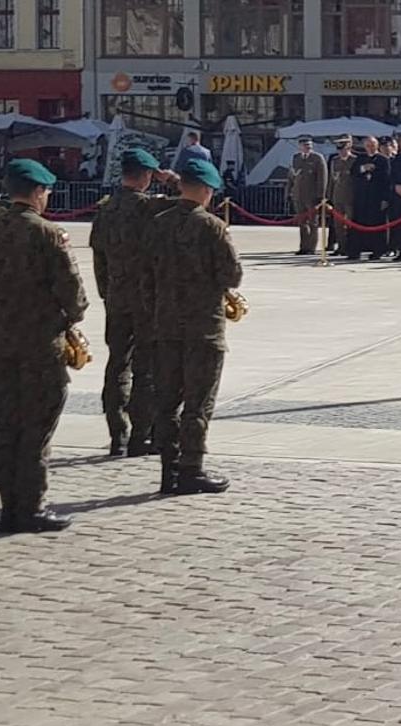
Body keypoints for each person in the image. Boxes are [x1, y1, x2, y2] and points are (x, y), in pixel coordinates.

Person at [0, 159, 86, 532]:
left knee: (5, 422)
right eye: (45, 192)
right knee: (36, 426)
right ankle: (30, 507)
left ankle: (8, 505)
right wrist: (70, 319)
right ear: (36, 193)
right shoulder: (47, 234)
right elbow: (74, 296)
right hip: (39, 346)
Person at [147, 159, 241, 496]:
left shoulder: (158, 224)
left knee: (167, 399)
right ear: (204, 190)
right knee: (198, 401)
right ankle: (191, 468)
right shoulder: (212, 226)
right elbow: (231, 275)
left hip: (165, 323)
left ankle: (168, 470)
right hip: (203, 326)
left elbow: (147, 275)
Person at [88, 149, 180, 457]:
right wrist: (172, 180)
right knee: (147, 367)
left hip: (116, 297)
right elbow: (195, 198)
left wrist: (106, 291)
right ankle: (141, 435)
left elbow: (98, 256)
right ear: (146, 175)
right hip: (146, 300)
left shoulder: (106, 208)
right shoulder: (150, 207)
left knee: (117, 364)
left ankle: (118, 433)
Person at [347, 136, 390, 261]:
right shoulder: (360, 158)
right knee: (358, 224)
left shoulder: (383, 160)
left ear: (377, 146)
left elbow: (387, 180)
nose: (370, 148)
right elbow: (353, 172)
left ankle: (378, 251)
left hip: (376, 198)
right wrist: (363, 169)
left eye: (372, 145)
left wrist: (385, 199)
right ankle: (355, 251)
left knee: (377, 224)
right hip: (362, 197)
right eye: (368, 146)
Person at [288, 137, 328, 256]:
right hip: (298, 195)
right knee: (301, 222)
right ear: (299, 146)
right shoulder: (296, 158)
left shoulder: (317, 158)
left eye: (309, 145)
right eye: (305, 145)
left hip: (312, 195)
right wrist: (289, 191)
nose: (308, 147)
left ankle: (311, 247)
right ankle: (303, 246)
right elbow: (291, 176)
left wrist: (321, 195)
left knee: (313, 222)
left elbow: (322, 178)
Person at [328, 136, 357, 258]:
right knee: (338, 224)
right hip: (337, 196)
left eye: (343, 149)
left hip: (350, 197)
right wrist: (328, 196)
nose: (341, 152)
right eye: (339, 149)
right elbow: (332, 180)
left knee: (350, 224)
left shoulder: (354, 160)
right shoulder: (335, 160)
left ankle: (351, 247)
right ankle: (341, 247)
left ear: (349, 148)